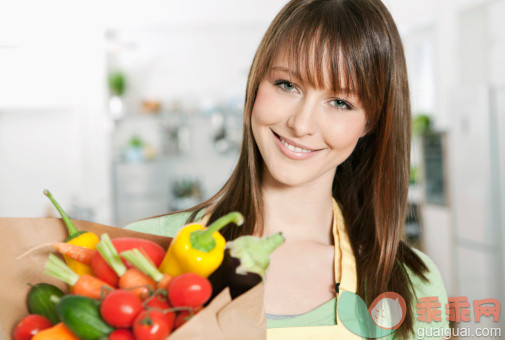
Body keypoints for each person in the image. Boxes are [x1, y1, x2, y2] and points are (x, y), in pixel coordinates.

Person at [126, 0, 450, 338]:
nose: (302, 124)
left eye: (340, 102)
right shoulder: (143, 252)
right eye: (287, 85)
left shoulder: (412, 285)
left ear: (370, 122)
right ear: (256, 83)